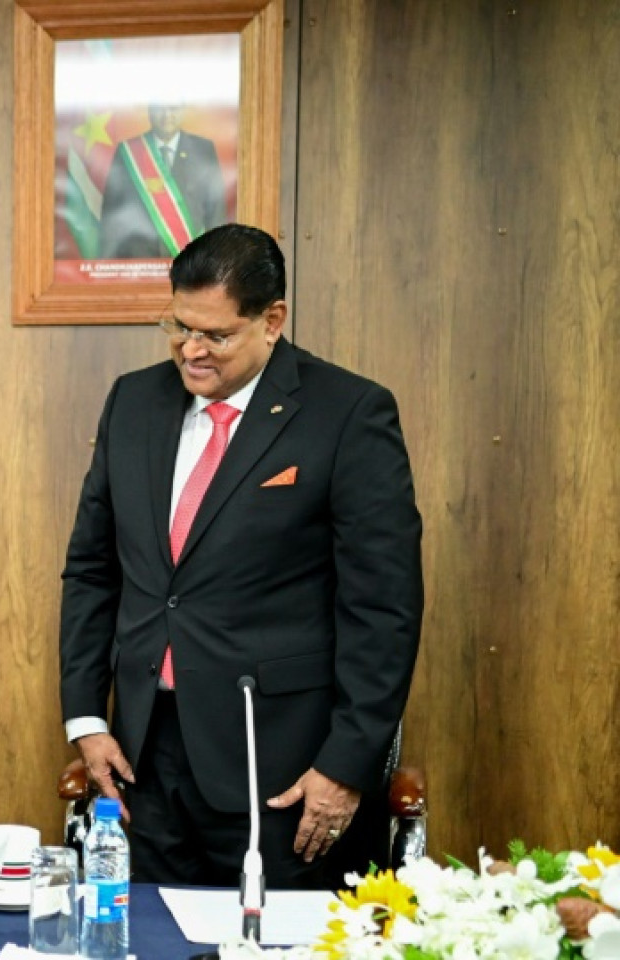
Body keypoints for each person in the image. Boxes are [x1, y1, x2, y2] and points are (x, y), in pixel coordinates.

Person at [59, 224, 422, 888]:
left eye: (216, 336)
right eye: (177, 326)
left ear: (272, 320)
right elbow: (92, 569)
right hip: (146, 756)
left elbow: (384, 608)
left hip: (282, 764)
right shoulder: (133, 402)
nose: (191, 351)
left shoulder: (347, 414)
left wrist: (344, 768)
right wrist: (87, 716)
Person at [99, 103, 227, 259]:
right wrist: (107, 265)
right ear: (150, 111)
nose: (167, 115)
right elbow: (111, 213)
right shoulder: (128, 151)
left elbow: (216, 210)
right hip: (138, 264)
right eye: (160, 108)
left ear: (183, 110)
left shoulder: (203, 149)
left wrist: (217, 259)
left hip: (190, 263)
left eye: (173, 108)